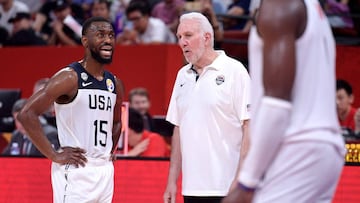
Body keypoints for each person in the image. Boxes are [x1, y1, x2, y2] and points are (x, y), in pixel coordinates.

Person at [222, 0, 345, 203]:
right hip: (325, 147)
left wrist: (246, 183)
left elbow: (277, 105)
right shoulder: (314, 9)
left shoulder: (279, 4)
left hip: (297, 146)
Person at [17, 16, 124, 203]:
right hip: (76, 170)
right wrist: (53, 154)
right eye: (100, 35)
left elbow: (116, 122)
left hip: (104, 171)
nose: (107, 40)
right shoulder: (69, 77)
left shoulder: (114, 83)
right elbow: (26, 114)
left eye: (111, 35)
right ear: (85, 41)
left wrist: (108, 151)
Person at [163, 12, 251, 203]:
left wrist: (240, 181)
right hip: (191, 188)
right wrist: (172, 181)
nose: (182, 43)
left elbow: (249, 128)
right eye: (179, 37)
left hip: (226, 187)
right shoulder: (182, 76)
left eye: (188, 35)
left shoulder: (235, 71)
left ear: (207, 37)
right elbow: (178, 129)